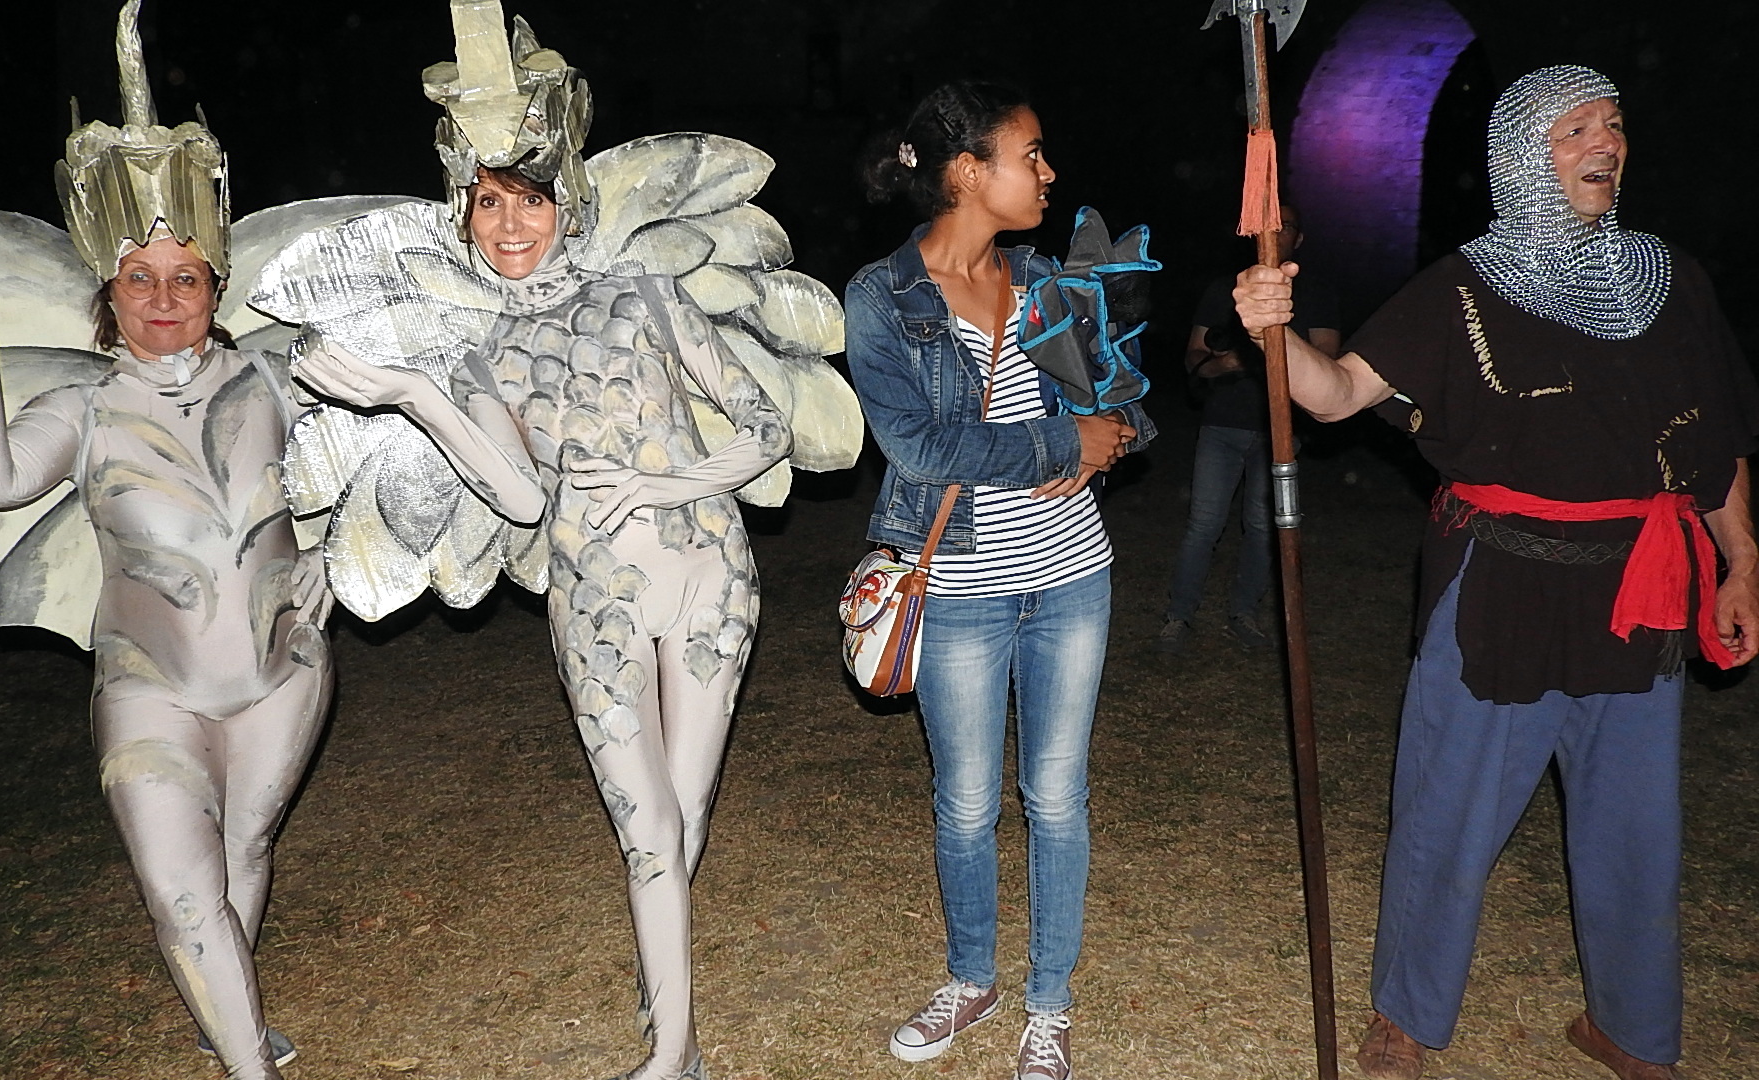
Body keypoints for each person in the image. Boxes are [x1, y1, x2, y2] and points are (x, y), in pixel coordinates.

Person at [288, 12, 800, 1079]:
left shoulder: (645, 294)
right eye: (487, 202)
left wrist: (662, 475)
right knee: (648, 833)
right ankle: (675, 1058)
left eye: (527, 198)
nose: (508, 224)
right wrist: (413, 393)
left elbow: (764, 428)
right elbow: (520, 498)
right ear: (463, 211)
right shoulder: (481, 350)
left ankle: (677, 1035)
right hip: (593, 600)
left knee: (680, 823)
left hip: (710, 578)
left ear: (565, 203)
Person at [1235, 65, 1759, 1080]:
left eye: (1612, 125)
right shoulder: (1463, 286)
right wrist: (1274, 332)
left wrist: (1743, 558)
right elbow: (1337, 394)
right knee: (1447, 817)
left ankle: (1634, 1029)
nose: (1601, 144)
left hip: (1641, 591)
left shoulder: (1671, 282)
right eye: (1572, 130)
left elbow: (1718, 442)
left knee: (1636, 833)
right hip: (1502, 587)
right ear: (1522, 157)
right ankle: (1409, 1016)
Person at [0, 6, 331, 1078]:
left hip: (283, 671)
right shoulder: (83, 404)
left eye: (186, 278)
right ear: (107, 295)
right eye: (138, 280)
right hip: (148, 681)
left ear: (217, 285)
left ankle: (230, 1025)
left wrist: (337, 562)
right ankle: (252, 1061)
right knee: (178, 888)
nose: (163, 300)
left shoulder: (279, 376)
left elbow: (355, 474)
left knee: (242, 852)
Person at [845, 80, 1145, 1080]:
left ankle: (1047, 1007)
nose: (1050, 173)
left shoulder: (1053, 278)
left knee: (1056, 798)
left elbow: (1129, 403)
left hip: (1072, 579)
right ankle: (971, 979)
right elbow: (922, 447)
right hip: (962, 588)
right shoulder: (881, 298)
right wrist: (1064, 438)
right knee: (965, 804)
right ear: (971, 172)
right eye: (1033, 155)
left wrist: (1113, 438)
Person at [1158, 205, 1339, 654]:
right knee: (1203, 523)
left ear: (1299, 239)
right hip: (1221, 424)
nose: (1275, 235)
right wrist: (1242, 359)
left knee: (1262, 525)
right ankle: (1178, 616)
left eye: (1286, 228)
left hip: (1278, 430)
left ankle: (1244, 613)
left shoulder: (1316, 293)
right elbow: (1194, 358)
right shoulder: (1226, 291)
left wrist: (1276, 358)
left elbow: (1327, 365)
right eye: (1267, 228)